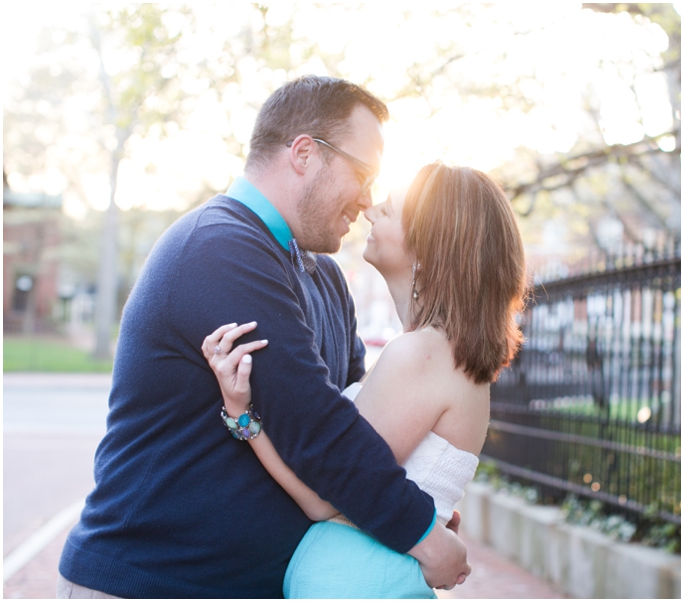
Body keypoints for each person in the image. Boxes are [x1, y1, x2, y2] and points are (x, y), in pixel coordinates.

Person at [57, 76, 470, 599]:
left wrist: (405, 511)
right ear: (304, 153)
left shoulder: (324, 277)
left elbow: (358, 425)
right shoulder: (220, 247)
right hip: (152, 580)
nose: (367, 199)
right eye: (362, 173)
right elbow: (316, 429)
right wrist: (421, 535)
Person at [204, 162, 527, 598]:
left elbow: (325, 499)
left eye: (389, 210)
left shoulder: (421, 354)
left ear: (429, 246)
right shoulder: (440, 352)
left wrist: (244, 418)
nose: (370, 212)